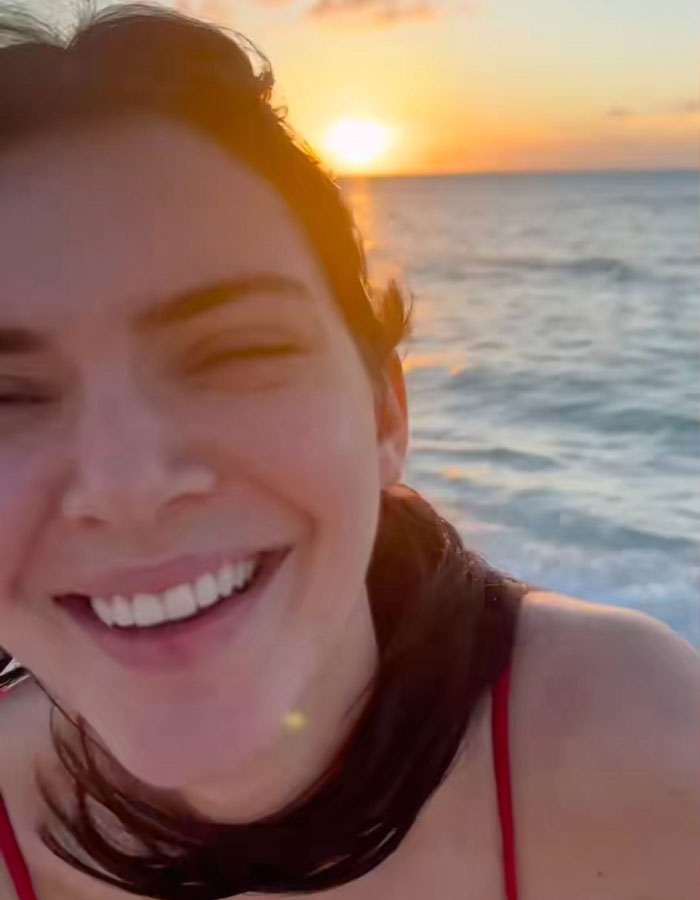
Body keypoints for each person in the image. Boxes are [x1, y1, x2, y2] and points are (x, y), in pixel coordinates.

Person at [0, 5, 697, 899]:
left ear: (384, 414)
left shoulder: (646, 747)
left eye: (236, 353)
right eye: (7, 398)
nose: (128, 487)